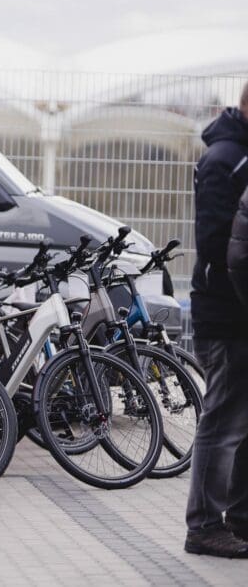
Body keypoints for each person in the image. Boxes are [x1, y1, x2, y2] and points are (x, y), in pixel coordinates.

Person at [186, 81, 248, 558]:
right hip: (225, 313)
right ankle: (204, 525)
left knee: (240, 424)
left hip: (236, 311)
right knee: (223, 423)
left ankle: (239, 519)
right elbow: (215, 245)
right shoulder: (225, 159)